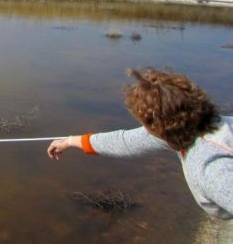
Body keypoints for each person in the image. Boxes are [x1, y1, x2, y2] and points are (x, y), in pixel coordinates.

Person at [47, 69, 233, 221]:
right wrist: (70, 141)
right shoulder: (194, 126)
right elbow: (125, 142)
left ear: (157, 125)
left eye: (144, 122)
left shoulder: (211, 168)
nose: (144, 128)